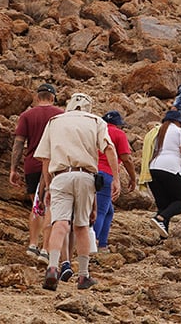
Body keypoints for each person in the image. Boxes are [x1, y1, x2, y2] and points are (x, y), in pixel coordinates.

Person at [35, 93, 120, 291]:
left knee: (59, 224)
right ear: (88, 108)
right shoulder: (96, 121)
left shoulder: (54, 121)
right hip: (84, 176)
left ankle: (53, 267)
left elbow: (45, 158)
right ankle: (83, 276)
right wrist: (115, 178)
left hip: (60, 176)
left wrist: (48, 185)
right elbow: (109, 149)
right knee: (81, 226)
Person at [10, 83, 65, 265]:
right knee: (52, 206)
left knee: (37, 204)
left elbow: (18, 144)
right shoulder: (60, 115)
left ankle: (32, 244)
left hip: (32, 164)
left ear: (37, 97)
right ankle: (46, 248)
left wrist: (13, 168)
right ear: (52, 97)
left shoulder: (27, 115)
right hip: (55, 165)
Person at [94, 111, 136, 251]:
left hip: (90, 171)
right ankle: (92, 244)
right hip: (106, 174)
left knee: (108, 211)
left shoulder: (96, 131)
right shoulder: (119, 134)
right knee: (100, 210)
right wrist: (133, 177)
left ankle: (103, 244)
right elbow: (126, 158)